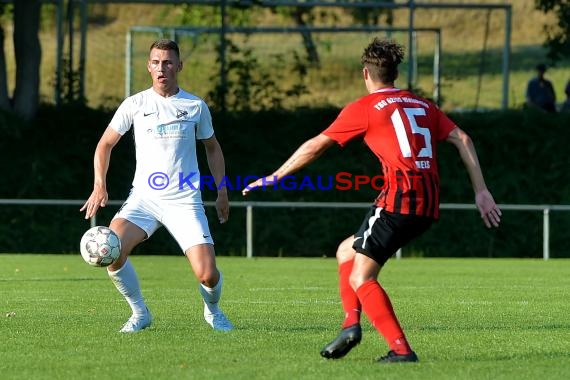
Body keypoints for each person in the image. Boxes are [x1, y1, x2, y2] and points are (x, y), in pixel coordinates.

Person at [242, 38, 501, 363]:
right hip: (428, 202)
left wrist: (276, 175)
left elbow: (315, 145)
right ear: (394, 73)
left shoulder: (363, 109)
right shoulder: (421, 104)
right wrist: (481, 191)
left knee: (361, 277)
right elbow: (462, 138)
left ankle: (401, 350)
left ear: (366, 73)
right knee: (345, 251)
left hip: (399, 199)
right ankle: (350, 324)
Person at [80, 39, 234, 333]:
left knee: (208, 275)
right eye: (155, 62)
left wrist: (222, 191)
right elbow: (105, 145)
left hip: (185, 201)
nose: (161, 68)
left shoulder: (195, 106)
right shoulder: (135, 104)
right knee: (111, 250)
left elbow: (212, 148)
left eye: (167, 62)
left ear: (178, 66)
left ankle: (213, 312)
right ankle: (140, 313)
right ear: (148, 66)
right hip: (144, 200)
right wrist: (99, 184)